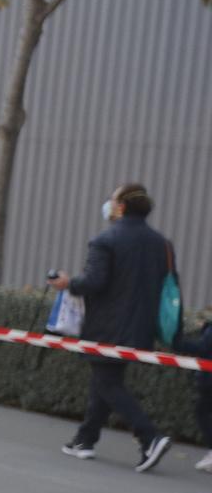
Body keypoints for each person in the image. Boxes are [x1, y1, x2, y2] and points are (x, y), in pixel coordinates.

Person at [48, 183, 175, 472]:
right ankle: (84, 440)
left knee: (107, 383)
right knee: (105, 381)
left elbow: (94, 282)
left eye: (113, 199)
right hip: (141, 326)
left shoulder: (105, 240)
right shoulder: (161, 244)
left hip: (107, 326)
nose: (108, 203)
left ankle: (150, 438)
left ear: (121, 207)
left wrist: (68, 283)